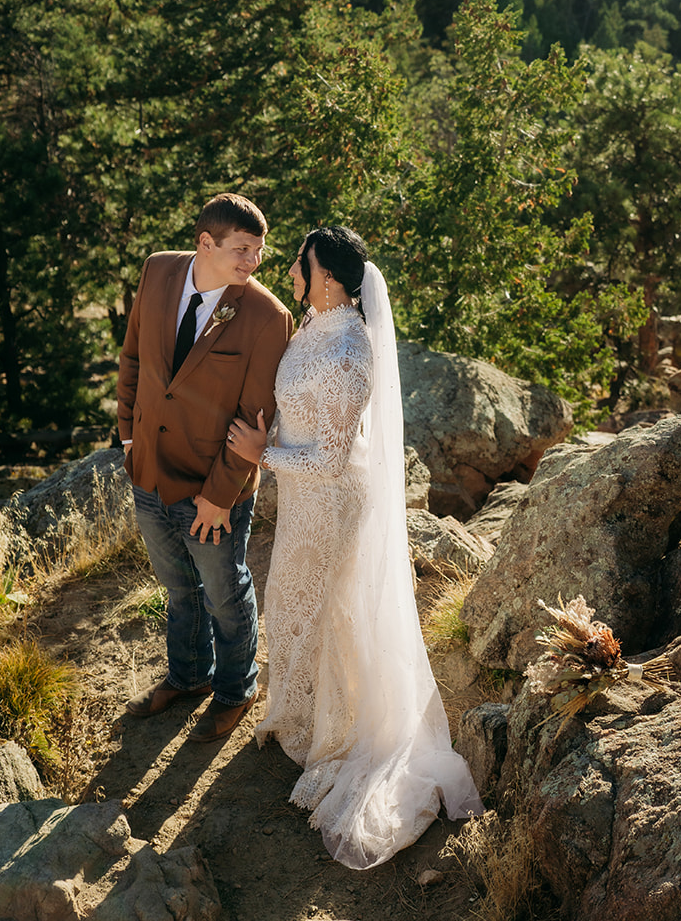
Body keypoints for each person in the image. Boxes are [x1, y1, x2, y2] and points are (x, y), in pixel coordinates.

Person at [227, 225, 483, 868]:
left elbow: (336, 457)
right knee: (291, 604)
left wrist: (264, 455)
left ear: (332, 281)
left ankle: (333, 735)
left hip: (331, 502)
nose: (291, 272)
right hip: (303, 502)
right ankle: (294, 715)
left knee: (324, 612)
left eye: (301, 266)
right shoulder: (315, 325)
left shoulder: (349, 349)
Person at [117, 192, 294, 743]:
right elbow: (134, 357)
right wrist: (126, 434)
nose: (253, 263)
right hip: (147, 470)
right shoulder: (158, 271)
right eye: (242, 250)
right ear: (205, 244)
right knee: (176, 586)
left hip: (212, 488)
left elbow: (253, 419)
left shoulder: (268, 317)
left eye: (259, 252)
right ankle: (188, 677)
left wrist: (219, 496)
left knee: (224, 590)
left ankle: (235, 690)